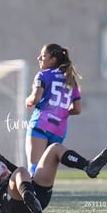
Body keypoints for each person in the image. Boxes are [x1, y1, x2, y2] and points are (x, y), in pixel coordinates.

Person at [0, 144, 107, 213]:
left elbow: (19, 173)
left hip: (38, 199)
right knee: (21, 171)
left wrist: (3, 160)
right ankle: (29, 196)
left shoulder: (11, 180)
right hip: (14, 207)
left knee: (54, 148)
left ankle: (88, 166)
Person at [25, 43, 82, 177]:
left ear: (53, 59)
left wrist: (27, 101)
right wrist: (60, 111)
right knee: (47, 171)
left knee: (34, 167)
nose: (39, 58)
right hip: (58, 130)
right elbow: (77, 109)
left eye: (43, 55)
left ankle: (32, 196)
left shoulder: (43, 75)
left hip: (41, 125)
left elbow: (35, 98)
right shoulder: (70, 79)